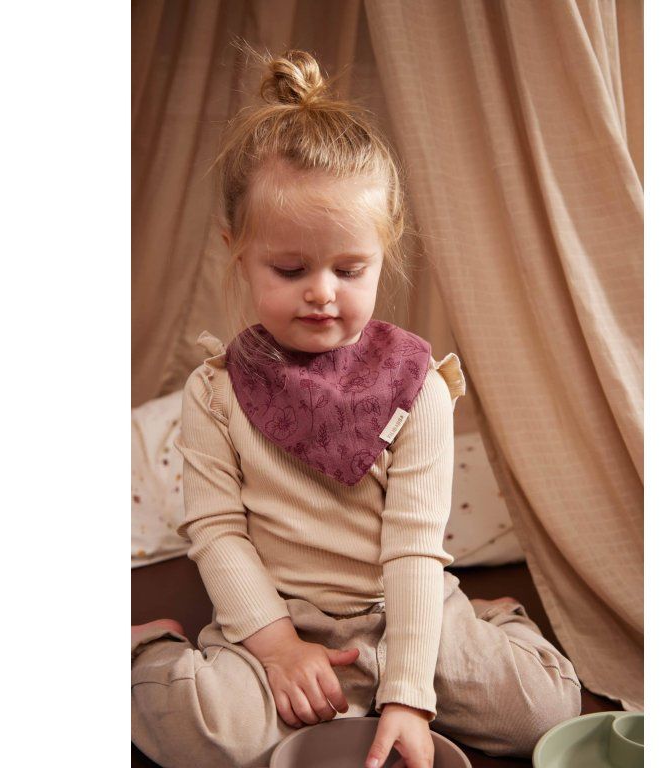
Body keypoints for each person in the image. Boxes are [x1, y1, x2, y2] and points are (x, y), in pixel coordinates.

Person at [131, 48, 581, 768]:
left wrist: (409, 694)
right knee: (203, 734)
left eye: (348, 269)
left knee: (544, 709)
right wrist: (279, 648)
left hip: (405, 605)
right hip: (281, 617)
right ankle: (146, 650)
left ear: (382, 252)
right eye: (290, 269)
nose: (322, 292)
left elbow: (412, 547)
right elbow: (217, 531)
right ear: (236, 252)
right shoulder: (215, 392)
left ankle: (491, 622)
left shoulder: (419, 387)